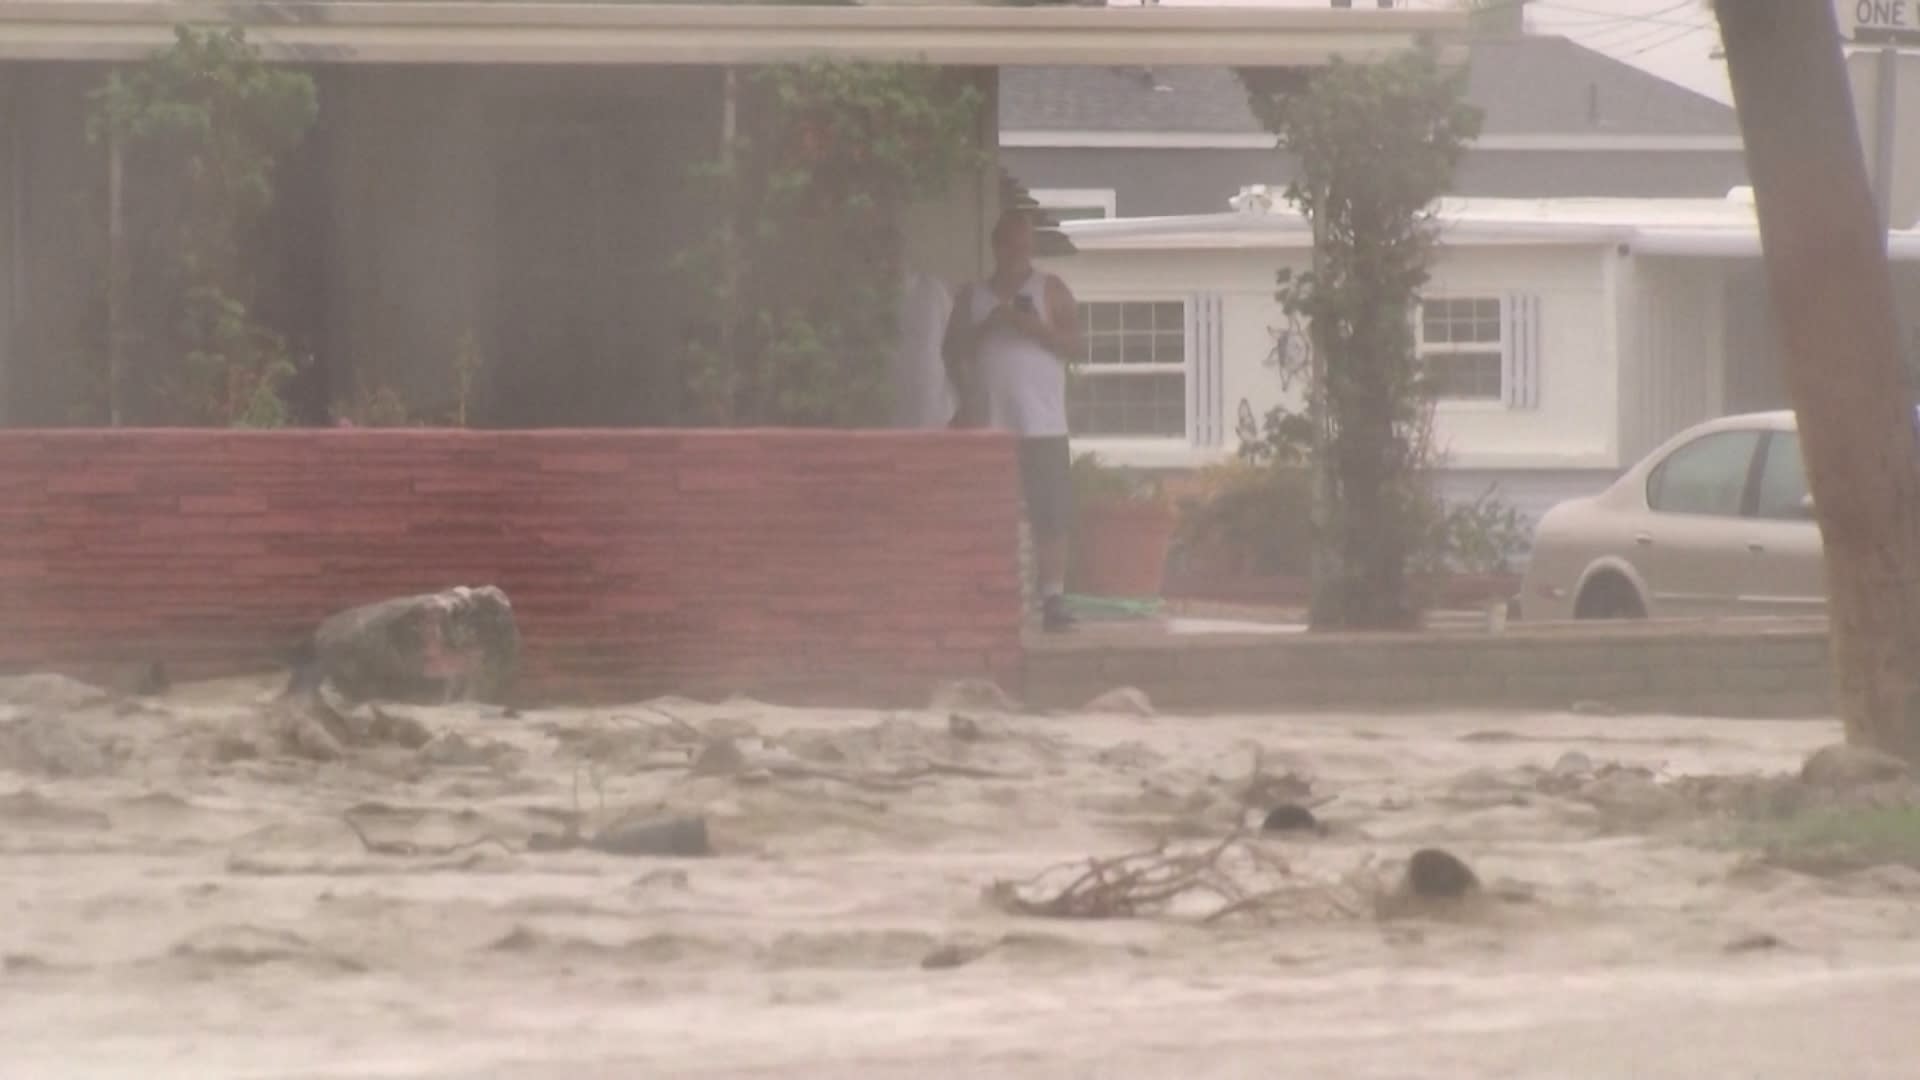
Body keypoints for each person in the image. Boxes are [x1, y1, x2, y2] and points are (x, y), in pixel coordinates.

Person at [945, 210, 1082, 633]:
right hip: (990, 422)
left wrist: (1032, 327)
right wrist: (988, 327)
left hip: (1041, 421)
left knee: (1050, 511)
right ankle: (987, 590)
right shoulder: (972, 296)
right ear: (996, 246)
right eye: (1009, 244)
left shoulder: (1051, 289)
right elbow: (951, 350)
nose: (1017, 253)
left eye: (1024, 245)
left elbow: (1075, 345)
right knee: (986, 509)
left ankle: (1053, 596)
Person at [891, 266, 956, 429]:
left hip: (932, 397)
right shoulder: (874, 296)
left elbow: (953, 338)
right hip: (892, 395)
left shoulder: (931, 289)